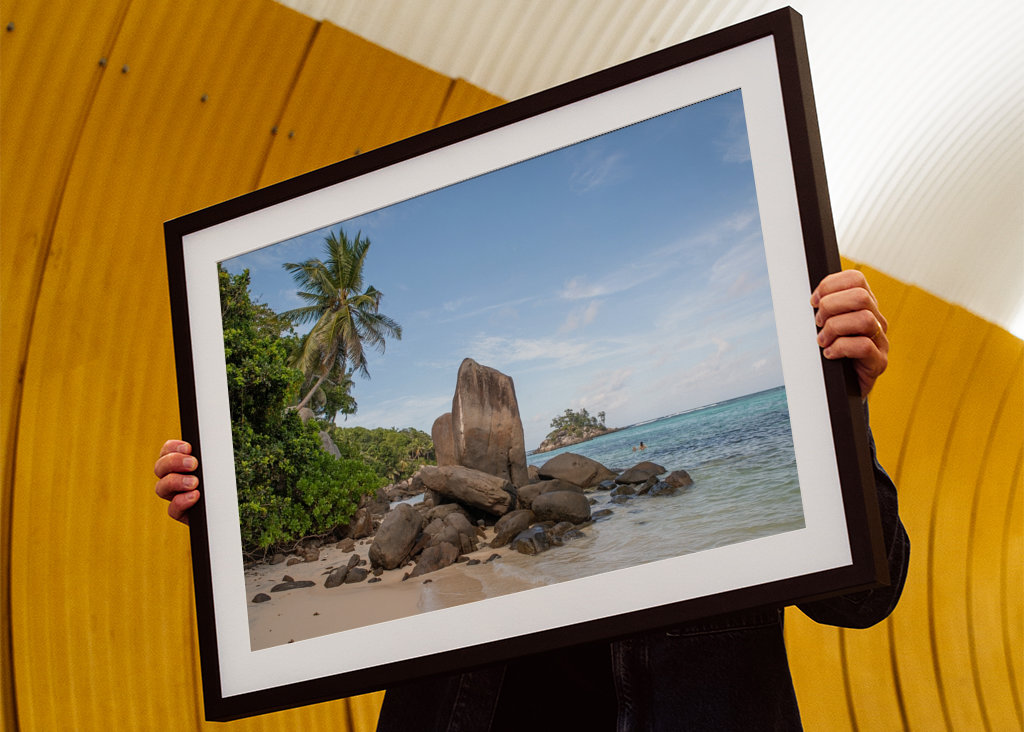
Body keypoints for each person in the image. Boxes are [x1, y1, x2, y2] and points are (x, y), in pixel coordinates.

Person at [154, 270, 908, 731]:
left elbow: (865, 598)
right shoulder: (481, 502)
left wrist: (841, 410)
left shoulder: (815, 410)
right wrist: (230, 505)